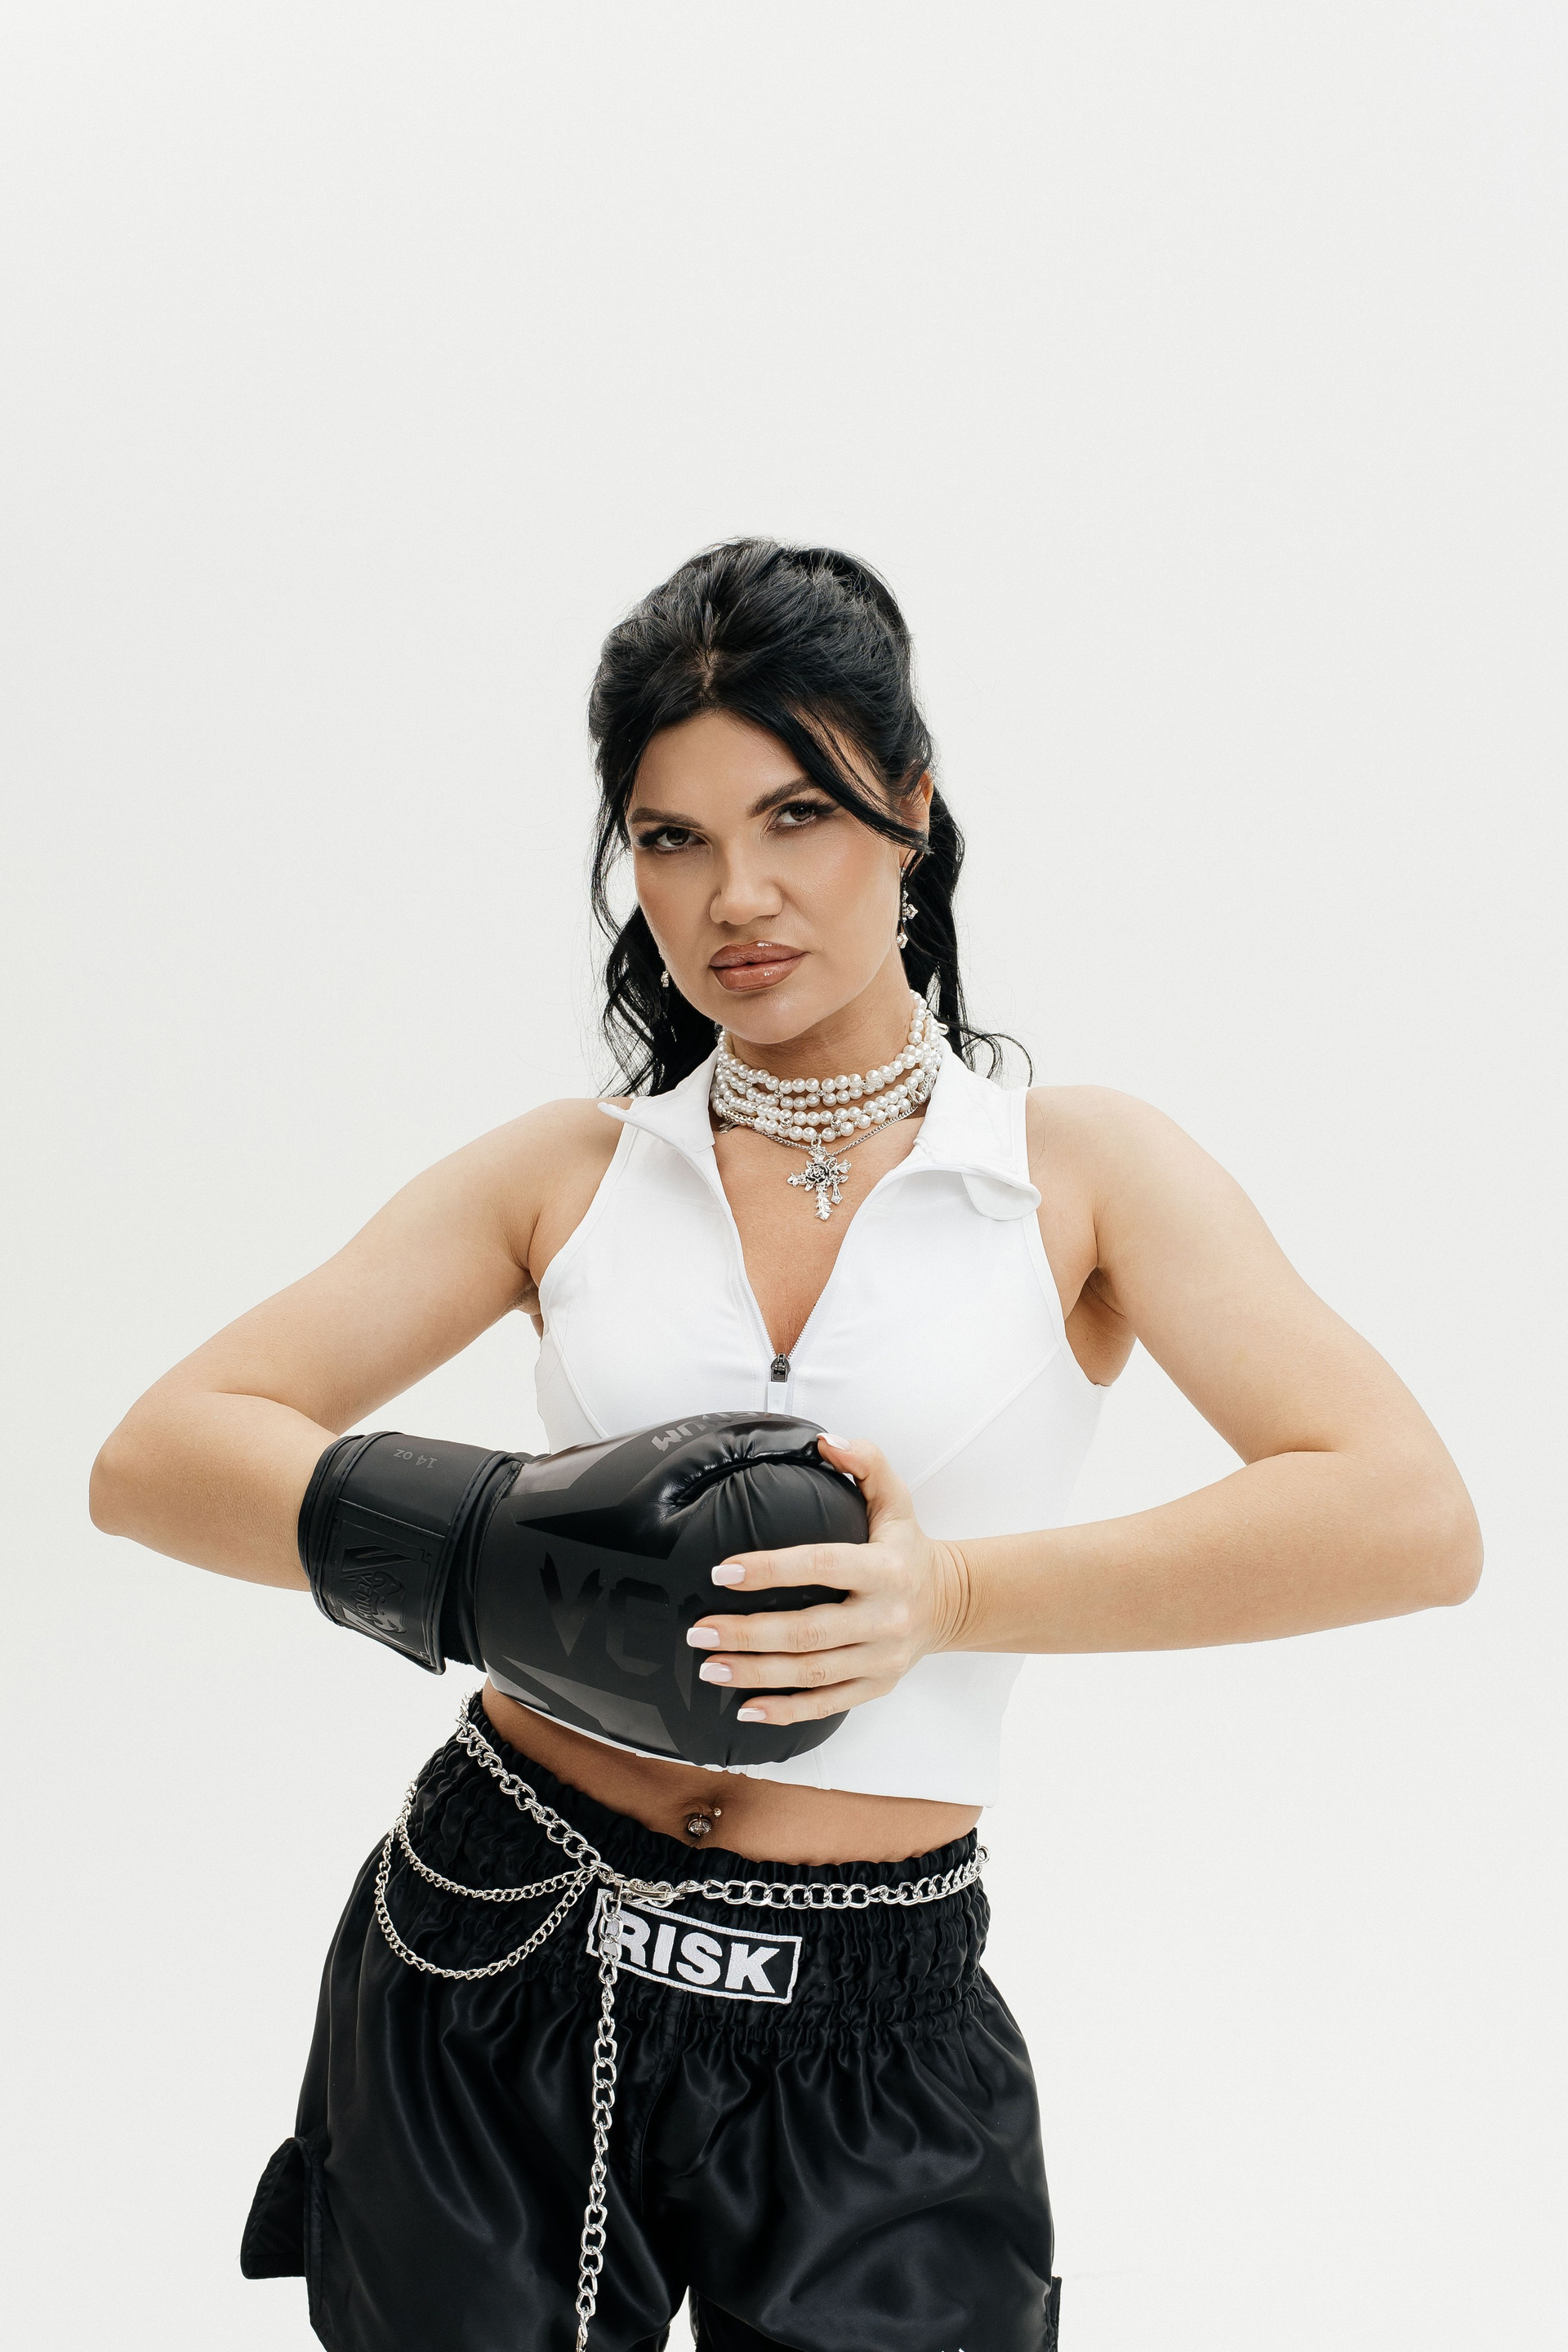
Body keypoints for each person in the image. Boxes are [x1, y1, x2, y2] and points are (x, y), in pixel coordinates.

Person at [88, 539, 1482, 2352]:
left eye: (797, 815)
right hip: (501, 1938)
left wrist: (947, 1597)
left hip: (870, 2023)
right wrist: (524, 1560)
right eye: (670, 838)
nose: (734, 895)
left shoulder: (1076, 1175)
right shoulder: (568, 1175)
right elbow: (158, 1458)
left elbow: (1406, 1515)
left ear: (913, 811)